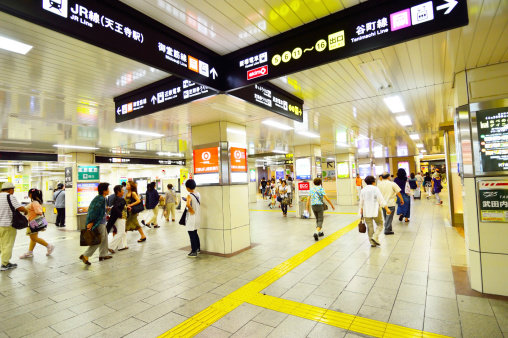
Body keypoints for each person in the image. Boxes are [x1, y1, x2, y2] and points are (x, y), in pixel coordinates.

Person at [79, 183, 112, 265]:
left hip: (102, 221)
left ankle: (104, 254)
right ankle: (85, 255)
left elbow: (99, 210)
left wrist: (106, 209)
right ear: (104, 191)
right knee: (100, 239)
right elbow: (93, 211)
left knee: (104, 238)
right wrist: (91, 222)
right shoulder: (100, 199)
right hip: (99, 222)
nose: (109, 190)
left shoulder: (102, 198)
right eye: (108, 189)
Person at [19, 189, 55, 259]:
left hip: (34, 222)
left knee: (33, 237)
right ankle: (30, 252)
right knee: (33, 238)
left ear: (31, 194)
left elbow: (39, 212)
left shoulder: (35, 202)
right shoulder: (35, 202)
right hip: (33, 222)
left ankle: (49, 246)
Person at [0, 182, 28, 271]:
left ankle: (5, 261)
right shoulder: (10, 196)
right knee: (7, 244)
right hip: (7, 225)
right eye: (13, 190)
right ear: (11, 189)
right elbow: (19, 208)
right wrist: (26, 210)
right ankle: (5, 263)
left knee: (1, 244)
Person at [360, 176, 391, 247]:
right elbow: (381, 200)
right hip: (375, 210)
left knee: (370, 227)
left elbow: (361, 202)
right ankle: (375, 237)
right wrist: (387, 209)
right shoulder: (375, 189)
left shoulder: (363, 190)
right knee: (380, 224)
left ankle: (372, 242)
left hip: (366, 210)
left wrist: (361, 209)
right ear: (373, 182)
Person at [108, 185, 129, 253]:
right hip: (120, 217)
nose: (123, 191)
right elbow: (115, 208)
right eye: (122, 190)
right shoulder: (120, 199)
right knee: (121, 232)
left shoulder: (115, 198)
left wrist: (126, 208)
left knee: (121, 232)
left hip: (116, 217)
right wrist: (120, 214)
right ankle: (110, 246)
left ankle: (121, 246)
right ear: (118, 192)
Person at [184, 179, 201, 258]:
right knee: (195, 233)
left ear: (187, 187)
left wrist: (190, 209)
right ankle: (197, 248)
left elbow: (188, 204)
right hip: (197, 216)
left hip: (191, 217)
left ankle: (193, 251)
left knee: (191, 234)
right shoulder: (198, 194)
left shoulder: (189, 195)